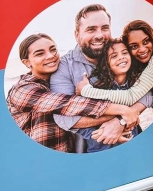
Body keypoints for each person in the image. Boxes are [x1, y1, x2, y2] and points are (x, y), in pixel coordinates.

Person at [7, 34, 140, 153]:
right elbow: (69, 104)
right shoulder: (22, 90)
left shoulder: (62, 82)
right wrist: (122, 112)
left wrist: (118, 124)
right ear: (27, 62)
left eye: (53, 49)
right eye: (39, 53)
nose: (50, 56)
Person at [50, 4, 152, 152]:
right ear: (76, 34)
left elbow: (148, 91)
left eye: (104, 28)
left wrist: (121, 121)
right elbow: (63, 118)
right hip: (94, 148)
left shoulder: (119, 53)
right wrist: (118, 118)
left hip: (133, 139)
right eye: (91, 29)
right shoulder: (64, 67)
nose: (99, 35)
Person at [78, 20, 153, 118]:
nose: (142, 49)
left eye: (146, 41)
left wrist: (86, 90)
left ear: (152, 39)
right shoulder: (145, 66)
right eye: (134, 46)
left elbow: (130, 96)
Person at [76, 38, 152, 152]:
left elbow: (150, 97)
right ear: (106, 62)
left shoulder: (136, 84)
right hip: (101, 150)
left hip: (132, 145)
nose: (121, 57)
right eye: (114, 56)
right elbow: (78, 123)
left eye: (125, 53)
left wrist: (122, 121)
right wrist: (105, 136)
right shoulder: (95, 86)